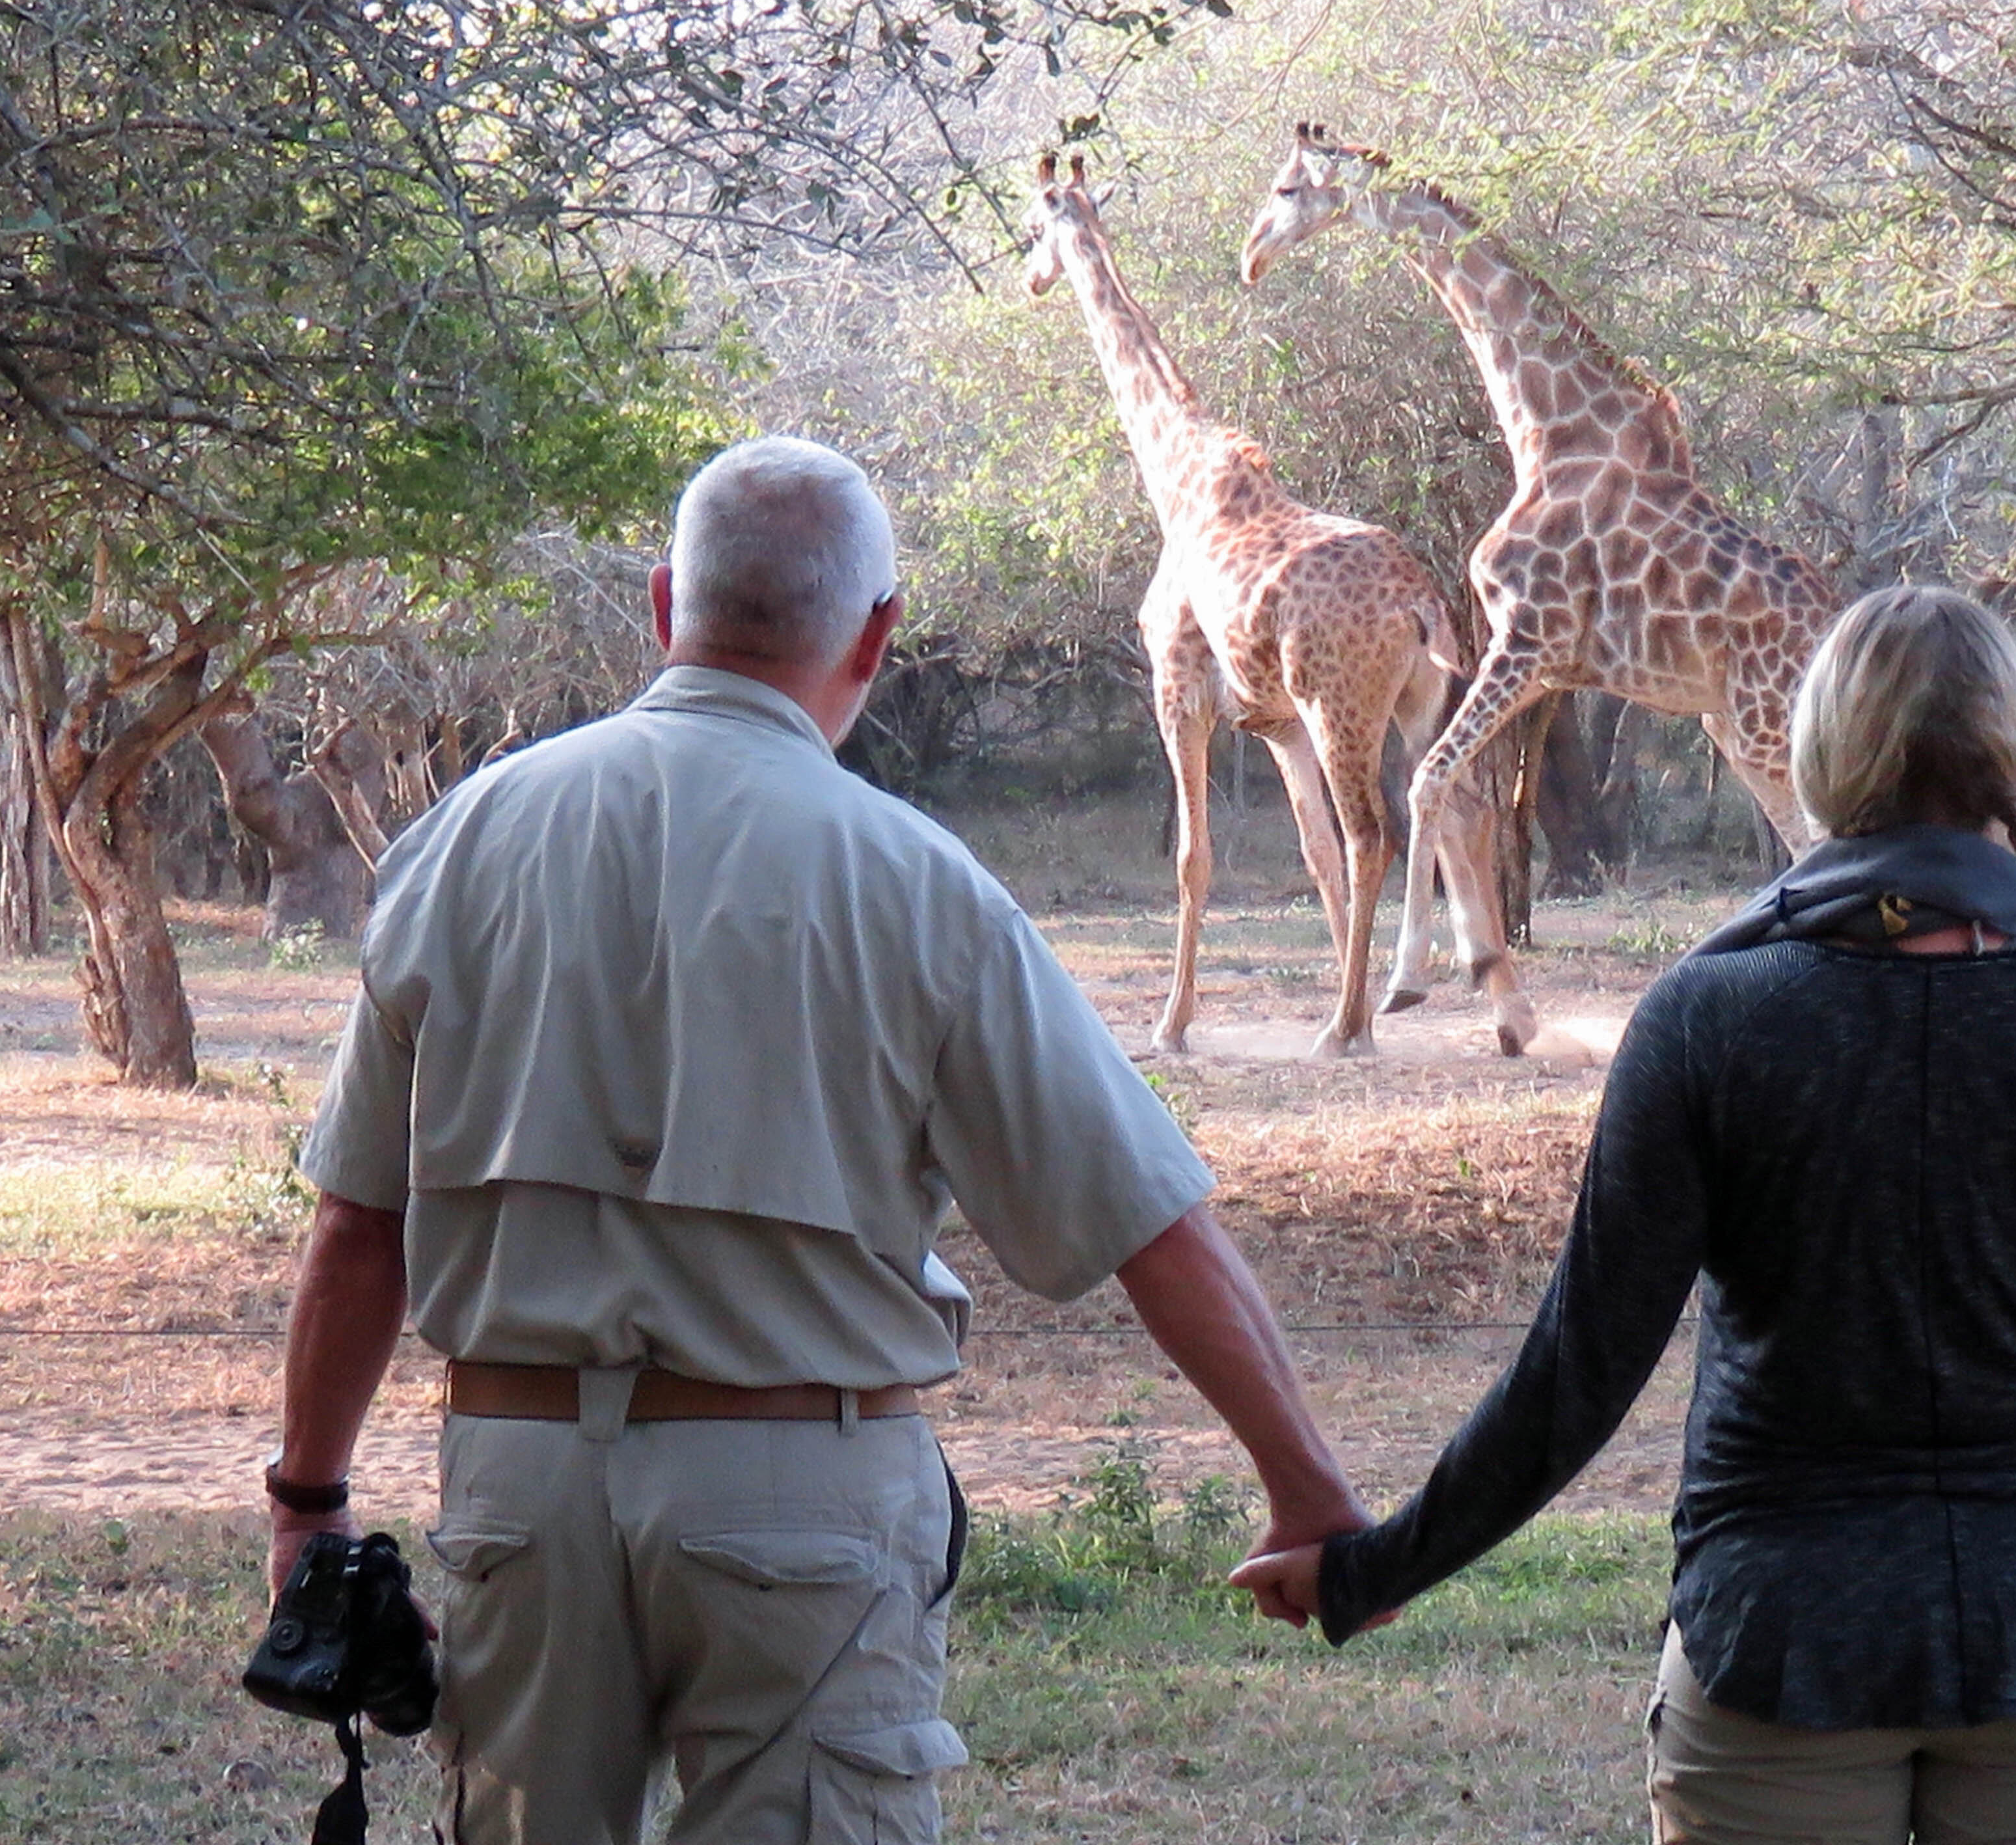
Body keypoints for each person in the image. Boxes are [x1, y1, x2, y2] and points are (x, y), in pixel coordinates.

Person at [266, 435, 1365, 1844]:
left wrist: (308, 1501)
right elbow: (1153, 1229)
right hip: (800, 1492)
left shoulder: (464, 841)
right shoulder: (917, 885)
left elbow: (360, 1227)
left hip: (518, 1489)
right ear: (880, 634)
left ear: (666, 606)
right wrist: (1309, 1491)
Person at [1238, 585, 2016, 1845]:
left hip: (1776, 1653)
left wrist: (1370, 1572)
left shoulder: (1709, 1022)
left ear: (1822, 756)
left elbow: (1576, 1381)